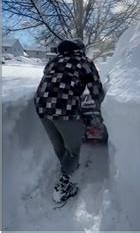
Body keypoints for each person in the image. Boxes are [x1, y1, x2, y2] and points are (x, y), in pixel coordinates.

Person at [34, 39, 105, 203]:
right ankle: (64, 185)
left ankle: (66, 167)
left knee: (58, 144)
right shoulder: (84, 61)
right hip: (64, 106)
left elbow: (54, 81)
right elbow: (95, 89)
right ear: (81, 50)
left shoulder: (53, 61)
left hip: (41, 105)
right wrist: (101, 106)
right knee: (74, 147)